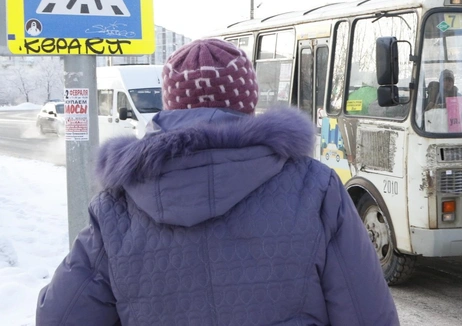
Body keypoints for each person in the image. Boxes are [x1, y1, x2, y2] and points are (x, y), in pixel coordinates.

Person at [36, 39, 399, 326]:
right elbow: (367, 313)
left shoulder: (116, 206)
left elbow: (59, 317)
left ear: (171, 105)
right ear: (248, 101)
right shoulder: (315, 188)